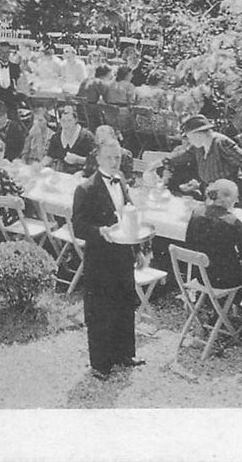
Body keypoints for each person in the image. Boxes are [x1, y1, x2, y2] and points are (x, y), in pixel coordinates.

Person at [72, 141, 144, 380]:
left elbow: (130, 215)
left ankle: (125, 353)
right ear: (98, 159)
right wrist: (100, 230)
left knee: (125, 303)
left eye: (118, 158)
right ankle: (101, 363)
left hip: (123, 253)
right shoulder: (86, 188)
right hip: (100, 257)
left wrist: (140, 249)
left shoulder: (121, 180)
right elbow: (79, 226)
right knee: (101, 308)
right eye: (110, 158)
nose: (115, 163)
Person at [183, 179, 242, 299]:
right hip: (225, 280)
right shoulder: (233, 222)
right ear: (227, 198)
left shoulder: (196, 212)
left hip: (201, 275)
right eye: (236, 197)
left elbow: (189, 243)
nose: (237, 201)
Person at [176, 114, 242, 206]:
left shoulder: (221, 143)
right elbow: (184, 155)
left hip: (227, 195)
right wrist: (164, 161)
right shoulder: (199, 146)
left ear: (198, 135)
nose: (190, 141)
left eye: (190, 138)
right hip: (210, 192)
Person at [44, 104, 96, 174]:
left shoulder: (87, 137)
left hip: (83, 174)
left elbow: (96, 162)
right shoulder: (56, 137)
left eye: (69, 121)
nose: (66, 124)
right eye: (63, 121)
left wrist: (78, 160)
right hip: (62, 174)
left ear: (75, 120)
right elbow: (50, 156)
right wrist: (40, 166)